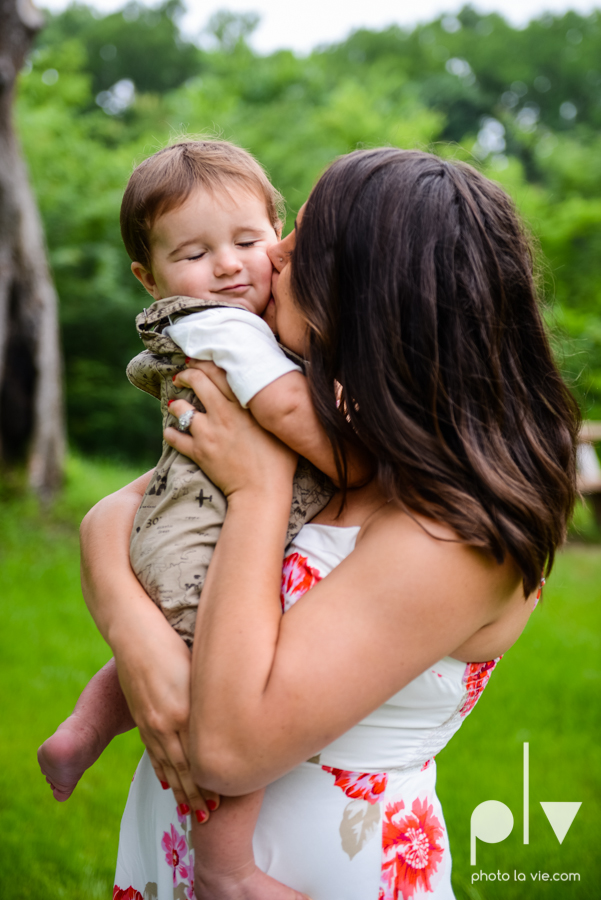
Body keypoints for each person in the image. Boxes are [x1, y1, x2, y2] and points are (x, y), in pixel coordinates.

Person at [79, 148, 579, 900]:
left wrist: (257, 493)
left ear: (369, 289)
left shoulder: (455, 534)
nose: (269, 251)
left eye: (300, 241)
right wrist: (139, 641)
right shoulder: (337, 434)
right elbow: (115, 517)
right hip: (171, 851)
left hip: (314, 872)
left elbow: (225, 750)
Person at [38, 140, 374, 900]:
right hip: (202, 532)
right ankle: (226, 868)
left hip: (188, 520)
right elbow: (288, 410)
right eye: (194, 252)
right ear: (148, 277)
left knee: (173, 645)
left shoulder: (261, 328)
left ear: (278, 236)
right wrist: (365, 450)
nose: (228, 267)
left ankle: (83, 731)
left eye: (248, 243)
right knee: (212, 673)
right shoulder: (223, 330)